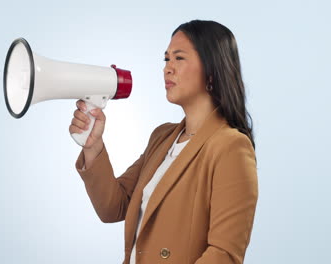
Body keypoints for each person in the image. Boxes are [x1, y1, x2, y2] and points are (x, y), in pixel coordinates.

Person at [69, 20, 258, 264]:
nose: (167, 68)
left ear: (212, 70)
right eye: (166, 59)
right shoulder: (162, 137)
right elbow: (113, 207)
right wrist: (93, 146)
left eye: (179, 58)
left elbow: (224, 255)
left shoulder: (231, 147)